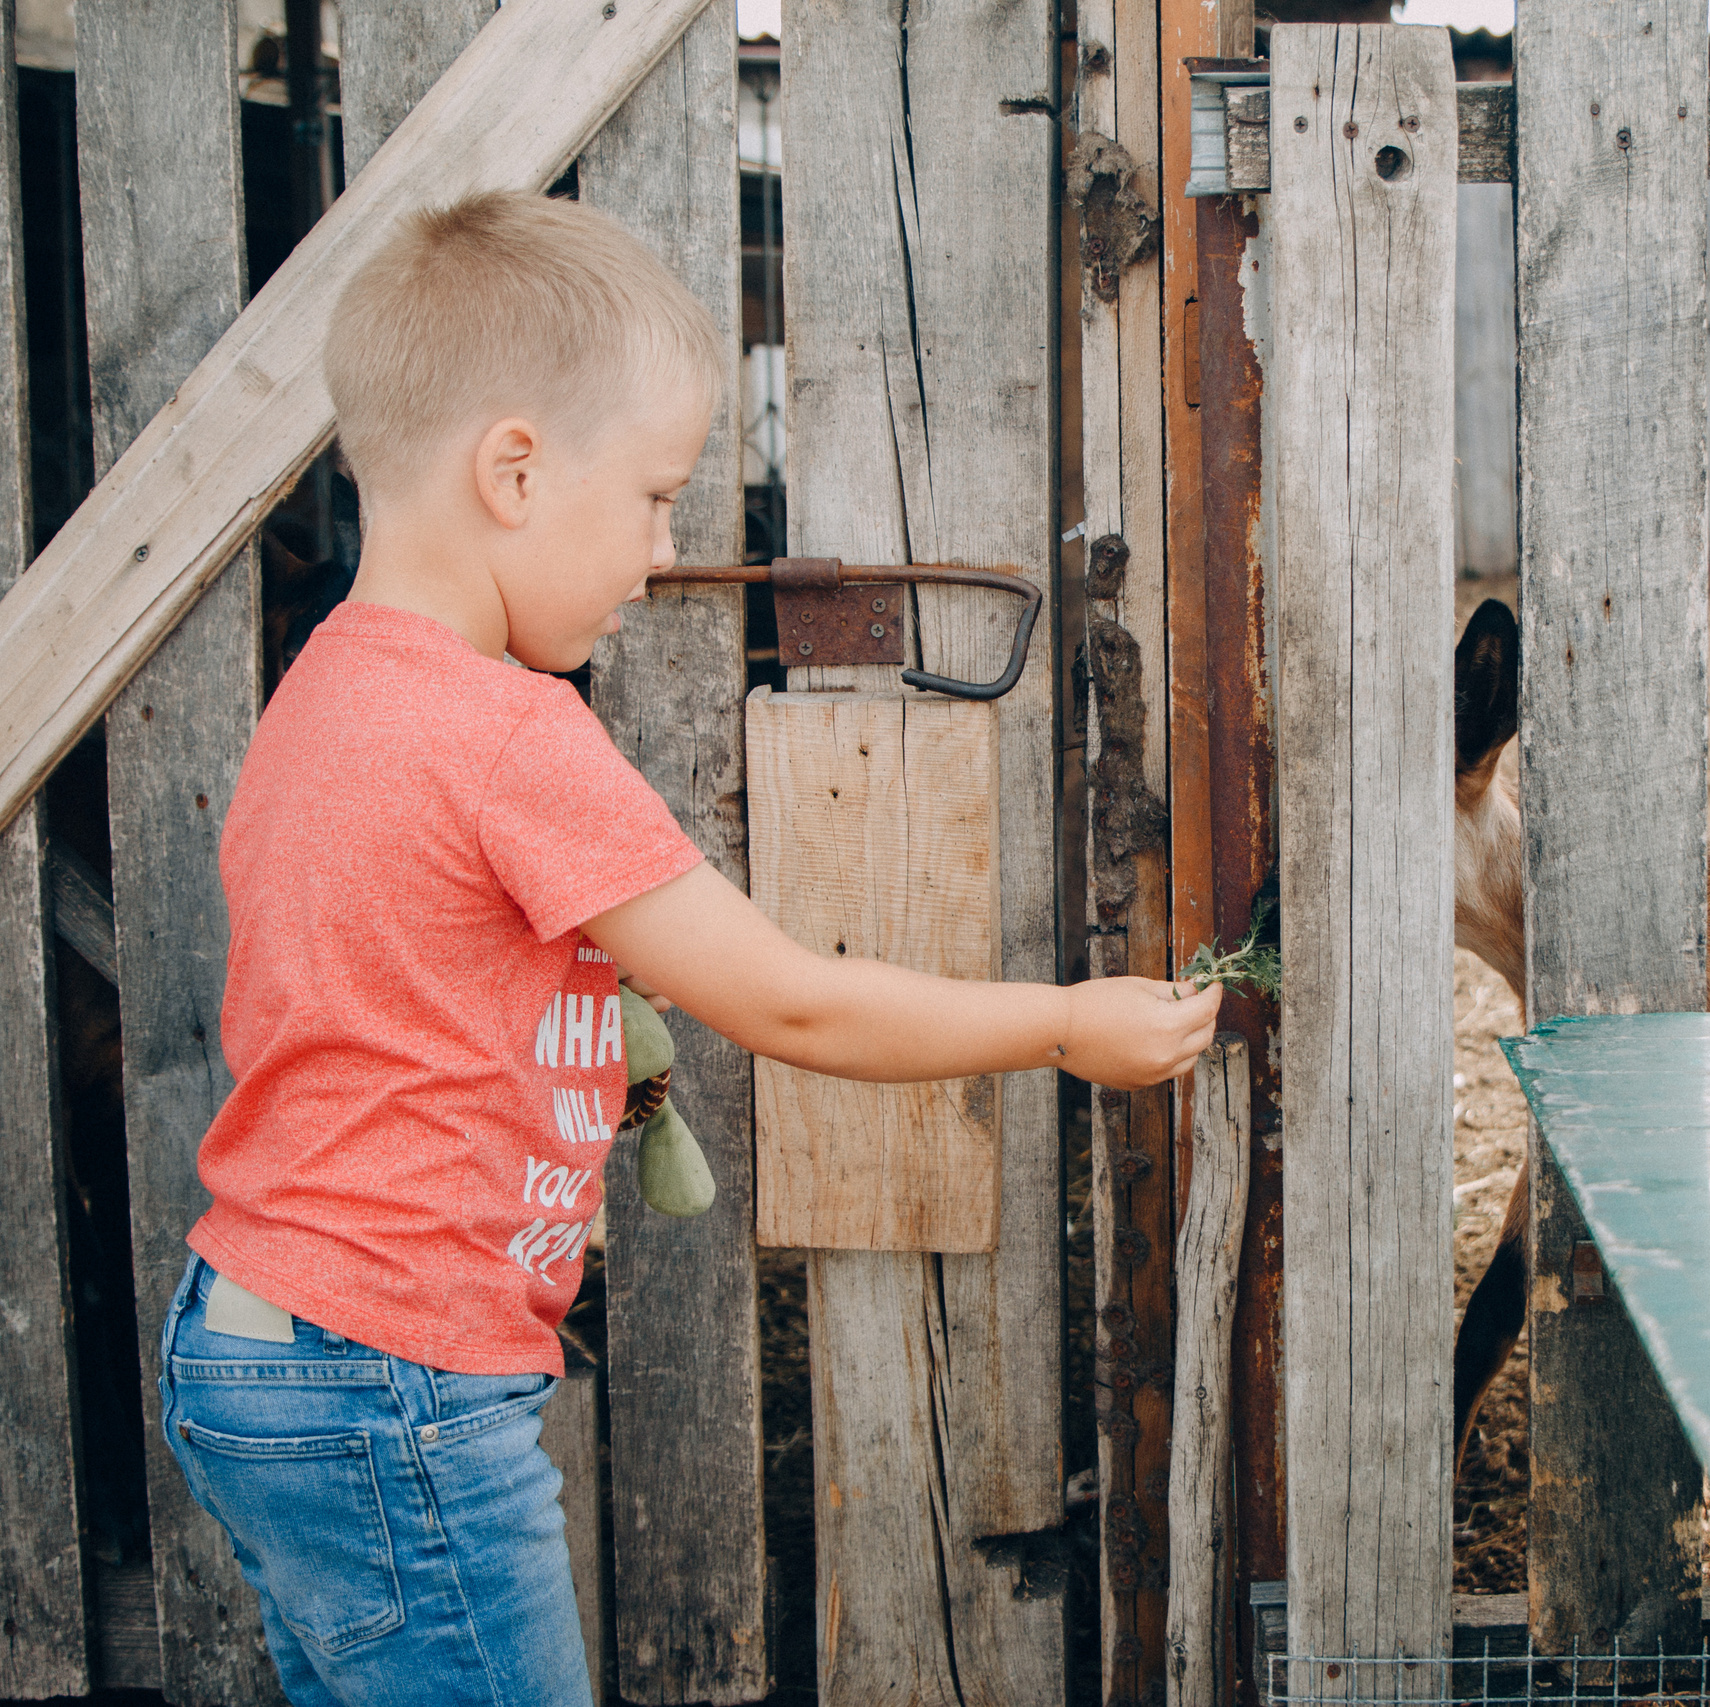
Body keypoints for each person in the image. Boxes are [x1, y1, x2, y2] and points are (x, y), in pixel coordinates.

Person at [160, 189, 1220, 1707]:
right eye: (656, 498)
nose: (663, 555)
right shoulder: (511, 734)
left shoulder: (327, 691)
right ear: (515, 473)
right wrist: (1064, 1027)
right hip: (393, 1378)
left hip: (259, 1341)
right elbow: (794, 1004)